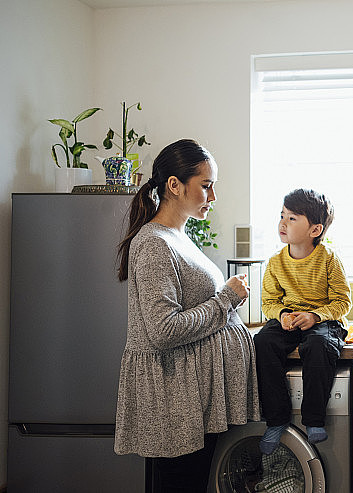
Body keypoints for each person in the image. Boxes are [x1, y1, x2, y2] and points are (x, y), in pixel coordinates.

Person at [114, 139, 260, 492]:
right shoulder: (153, 243)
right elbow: (164, 329)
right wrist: (226, 299)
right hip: (173, 401)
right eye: (206, 186)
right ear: (174, 186)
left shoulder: (178, 235)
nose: (213, 197)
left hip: (189, 396)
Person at [253, 188, 351, 455]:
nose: (282, 223)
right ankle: (276, 420)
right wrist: (282, 315)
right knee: (262, 341)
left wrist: (316, 315)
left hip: (322, 320)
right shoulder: (275, 263)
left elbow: (343, 302)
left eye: (292, 218)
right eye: (282, 215)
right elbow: (269, 302)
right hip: (289, 318)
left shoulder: (329, 259)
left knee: (318, 345)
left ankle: (314, 420)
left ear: (315, 230)